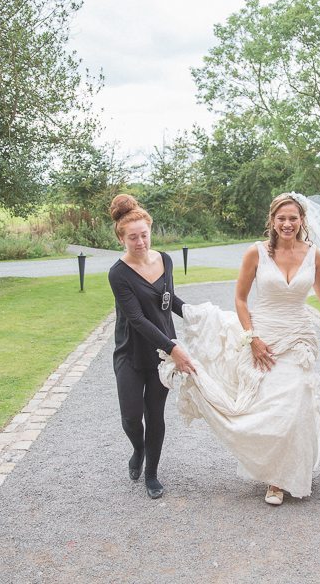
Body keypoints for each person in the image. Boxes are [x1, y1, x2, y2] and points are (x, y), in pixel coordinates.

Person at [158, 193, 320, 506]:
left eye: (293, 218)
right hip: (264, 336)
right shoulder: (256, 253)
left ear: (302, 220)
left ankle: (287, 476)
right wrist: (252, 338)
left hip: (299, 337)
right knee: (272, 407)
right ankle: (276, 477)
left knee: (299, 400)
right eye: (282, 218)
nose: (288, 224)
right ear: (272, 221)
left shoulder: (313, 254)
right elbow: (239, 299)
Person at [107, 194, 196, 499]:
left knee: (154, 414)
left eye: (144, 235)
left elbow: (168, 300)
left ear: (150, 231)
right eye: (133, 237)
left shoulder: (165, 260)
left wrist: (198, 316)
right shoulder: (118, 274)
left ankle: (152, 473)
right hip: (132, 352)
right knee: (131, 416)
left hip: (161, 355)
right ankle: (138, 447)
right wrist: (175, 349)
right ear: (122, 238)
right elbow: (137, 319)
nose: (140, 242)